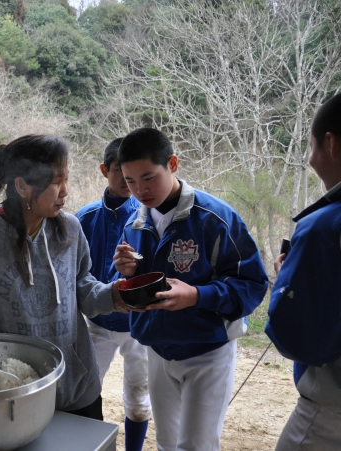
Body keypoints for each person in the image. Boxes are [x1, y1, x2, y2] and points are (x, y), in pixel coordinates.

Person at [0, 134, 125, 419]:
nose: (65, 191)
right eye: (56, 182)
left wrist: (112, 295)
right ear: (22, 186)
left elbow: (82, 285)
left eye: (66, 179)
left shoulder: (70, 229)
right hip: (16, 389)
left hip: (77, 386)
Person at [112, 128, 268, 451]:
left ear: (172, 164)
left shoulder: (215, 219)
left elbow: (252, 284)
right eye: (130, 181)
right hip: (157, 349)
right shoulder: (134, 224)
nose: (140, 190)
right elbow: (134, 285)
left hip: (207, 352)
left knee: (196, 447)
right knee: (167, 444)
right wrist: (127, 272)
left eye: (148, 178)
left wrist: (197, 296)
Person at [265, 93, 341, 451]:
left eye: (311, 147)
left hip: (329, 414)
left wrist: (287, 281)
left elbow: (297, 339)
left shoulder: (323, 228)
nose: (310, 159)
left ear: (331, 144)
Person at [76, 138, 150, 451]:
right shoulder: (84, 218)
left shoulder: (147, 218)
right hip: (97, 321)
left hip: (137, 324)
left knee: (138, 397)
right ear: (104, 170)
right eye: (118, 169)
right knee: (85, 391)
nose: (125, 179)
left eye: (131, 171)